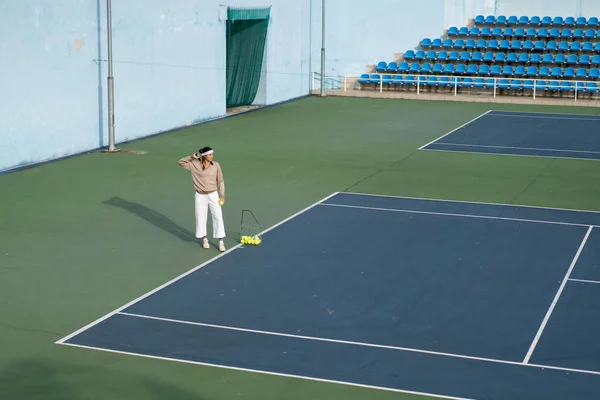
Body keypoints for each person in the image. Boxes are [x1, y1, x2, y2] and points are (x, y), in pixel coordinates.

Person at [178, 146, 226, 251]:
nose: (212, 156)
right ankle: (205, 240)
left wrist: (222, 194)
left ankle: (221, 242)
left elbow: (220, 181)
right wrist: (192, 157)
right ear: (204, 155)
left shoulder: (216, 165)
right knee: (201, 218)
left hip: (213, 195)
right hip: (200, 196)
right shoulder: (194, 164)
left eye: (212, 154)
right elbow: (181, 162)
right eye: (210, 154)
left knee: (218, 217)